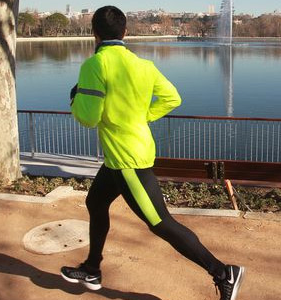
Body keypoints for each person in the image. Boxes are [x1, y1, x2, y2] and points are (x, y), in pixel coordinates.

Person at [60, 6, 244, 300]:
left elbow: (89, 117)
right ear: (125, 33)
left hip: (126, 160)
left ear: (93, 33)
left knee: (160, 222)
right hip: (124, 154)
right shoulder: (144, 65)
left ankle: (223, 272)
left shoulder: (95, 65)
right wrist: (141, 116)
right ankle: (92, 268)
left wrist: (74, 99)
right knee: (95, 203)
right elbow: (173, 98)